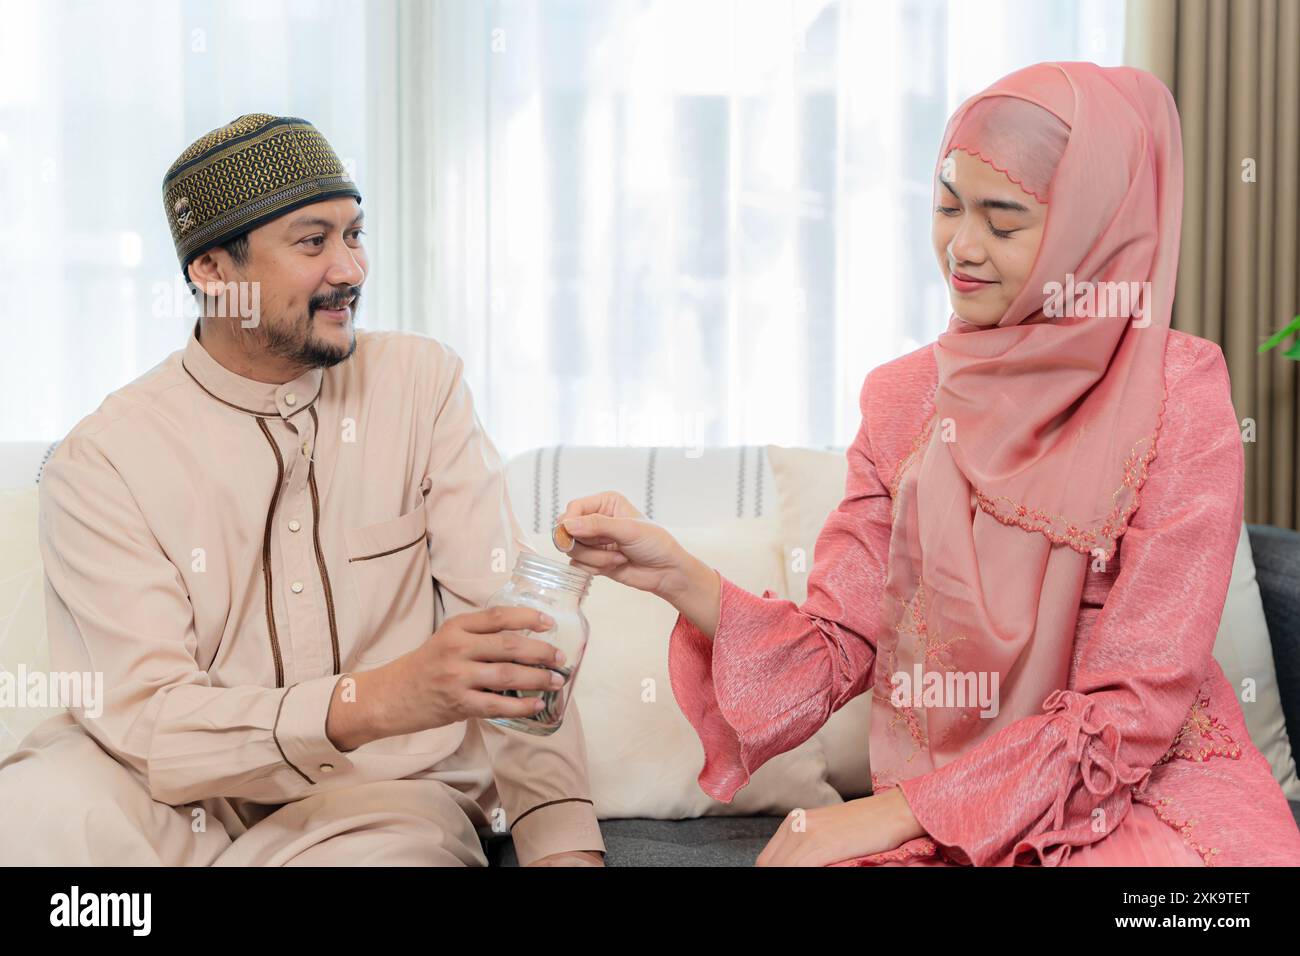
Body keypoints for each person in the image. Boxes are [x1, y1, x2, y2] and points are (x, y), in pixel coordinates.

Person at [554, 62, 1300, 867]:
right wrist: (675, 574)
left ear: (1094, 226)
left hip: (1144, 796)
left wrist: (892, 815)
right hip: (949, 804)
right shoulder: (903, 400)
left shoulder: (1178, 392)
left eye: (1005, 223)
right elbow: (836, 649)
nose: (962, 248)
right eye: (947, 207)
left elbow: (1138, 702)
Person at [0, 114, 605, 867]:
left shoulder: (421, 386)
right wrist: (382, 695)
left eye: (355, 235)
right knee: (32, 812)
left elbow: (509, 637)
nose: (350, 269)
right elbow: (150, 718)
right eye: (313, 242)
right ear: (213, 273)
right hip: (167, 797)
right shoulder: (103, 460)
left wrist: (560, 849)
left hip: (378, 799)